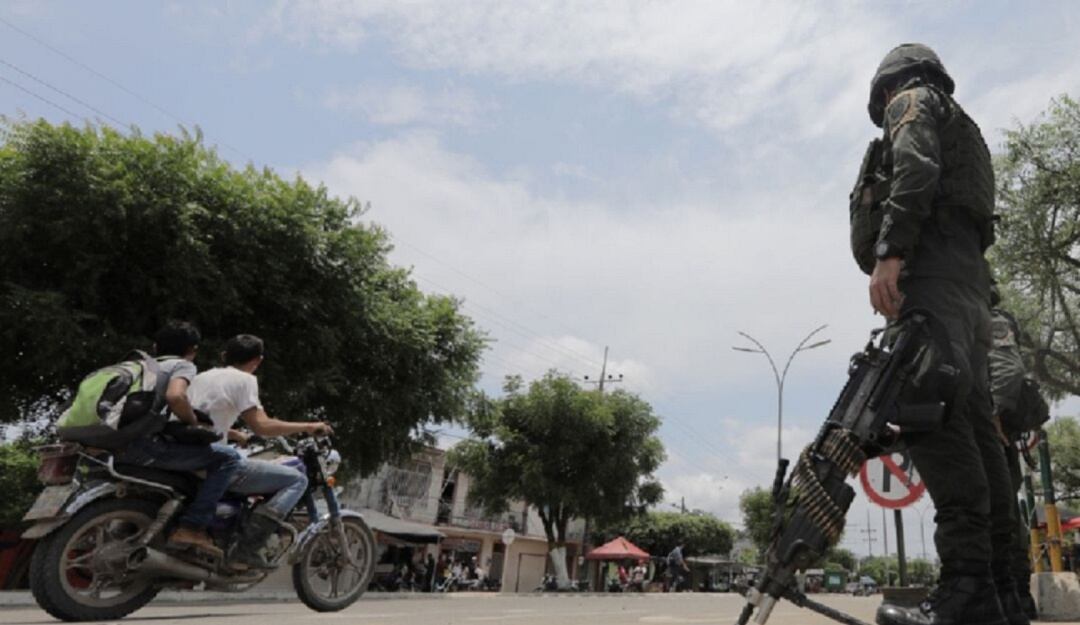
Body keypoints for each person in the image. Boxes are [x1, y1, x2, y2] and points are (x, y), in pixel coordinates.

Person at [852, 44, 1024, 625]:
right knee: (976, 435)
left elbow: (916, 168)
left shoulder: (914, 101)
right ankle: (1002, 589)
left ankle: (966, 593)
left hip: (932, 286)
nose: (883, 108)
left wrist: (891, 251)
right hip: (968, 295)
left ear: (887, 87)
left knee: (935, 424)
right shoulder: (966, 127)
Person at [187, 334, 333, 568]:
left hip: (189, 451)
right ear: (257, 361)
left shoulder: (202, 377)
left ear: (224, 356)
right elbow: (262, 426)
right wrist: (308, 426)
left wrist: (235, 434)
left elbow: (201, 419)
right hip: (212, 460)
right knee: (297, 480)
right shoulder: (245, 380)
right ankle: (247, 547)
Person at [115, 321, 242, 558]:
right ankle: (192, 527)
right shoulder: (182, 365)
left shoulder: (136, 366)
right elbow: (176, 396)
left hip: (111, 447)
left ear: (155, 346)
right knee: (228, 458)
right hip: (143, 447)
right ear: (193, 350)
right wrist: (193, 422)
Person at [988, 293, 1041, 620]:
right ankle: (1012, 596)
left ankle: (1014, 593)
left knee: (1000, 511)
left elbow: (1008, 369)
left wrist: (991, 413)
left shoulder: (988, 317)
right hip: (988, 429)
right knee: (1001, 510)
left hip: (995, 431)